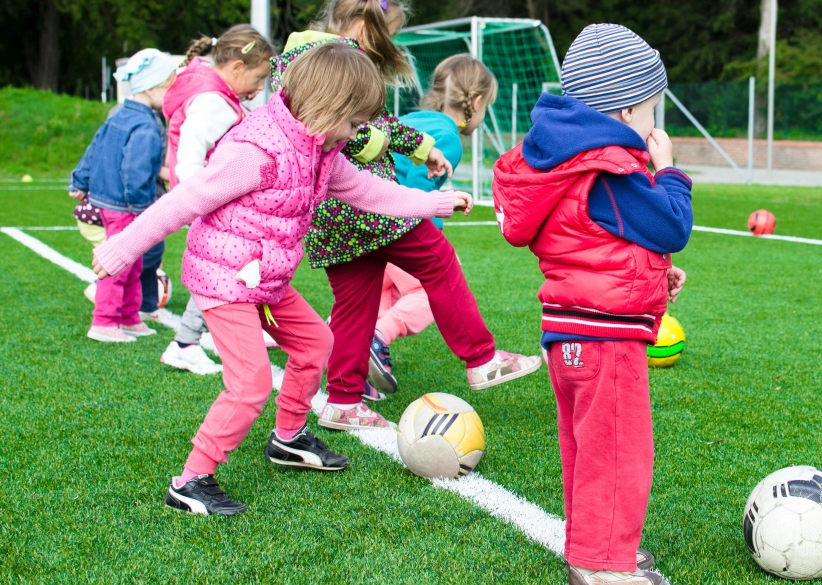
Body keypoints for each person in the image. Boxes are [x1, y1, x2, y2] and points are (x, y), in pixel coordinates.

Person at [91, 43, 473, 516]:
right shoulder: (255, 151)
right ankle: (190, 481)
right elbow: (184, 201)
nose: (358, 134)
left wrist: (434, 203)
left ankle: (288, 438)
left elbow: (366, 191)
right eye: (354, 124)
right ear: (327, 108)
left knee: (317, 344)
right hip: (224, 280)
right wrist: (121, 249)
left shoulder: (321, 148)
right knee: (250, 383)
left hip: (265, 280)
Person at [272, 0, 540, 431]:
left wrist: (422, 147)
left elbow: (372, 122)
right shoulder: (335, 59)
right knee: (438, 260)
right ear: (362, 25)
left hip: (328, 212)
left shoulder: (295, 57)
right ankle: (482, 358)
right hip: (365, 204)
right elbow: (346, 129)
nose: (385, 46)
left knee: (355, 304)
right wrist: (406, 148)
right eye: (386, 35)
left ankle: (342, 401)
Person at [493, 24, 693, 585]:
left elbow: (598, 242)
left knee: (588, 448)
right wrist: (670, 170)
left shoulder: (566, 162)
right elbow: (671, 223)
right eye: (654, 109)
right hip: (605, 337)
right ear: (627, 111)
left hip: (571, 331)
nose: (656, 124)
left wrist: (655, 276)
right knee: (617, 453)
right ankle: (602, 566)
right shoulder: (608, 169)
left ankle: (595, 547)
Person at [365, 54, 501, 396]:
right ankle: (377, 338)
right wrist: (431, 239)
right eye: (488, 107)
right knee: (428, 289)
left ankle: (349, 352)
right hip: (392, 224)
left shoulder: (413, 119)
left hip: (362, 220)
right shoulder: (448, 138)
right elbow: (416, 187)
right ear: (476, 101)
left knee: (379, 293)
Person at [157, 24, 277, 375]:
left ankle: (195, 338)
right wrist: (201, 197)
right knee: (223, 271)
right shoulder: (214, 103)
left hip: (211, 201)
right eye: (258, 79)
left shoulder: (214, 93)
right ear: (237, 68)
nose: (258, 90)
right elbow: (191, 155)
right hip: (212, 204)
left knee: (227, 269)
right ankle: (185, 342)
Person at [69, 49, 177, 343]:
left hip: (112, 201)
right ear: (154, 88)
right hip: (126, 206)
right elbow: (136, 169)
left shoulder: (120, 113)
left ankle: (129, 317)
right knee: (119, 263)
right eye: (170, 86)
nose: (172, 94)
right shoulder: (146, 125)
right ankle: (104, 321)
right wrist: (143, 208)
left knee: (135, 262)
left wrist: (79, 178)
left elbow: (94, 146)